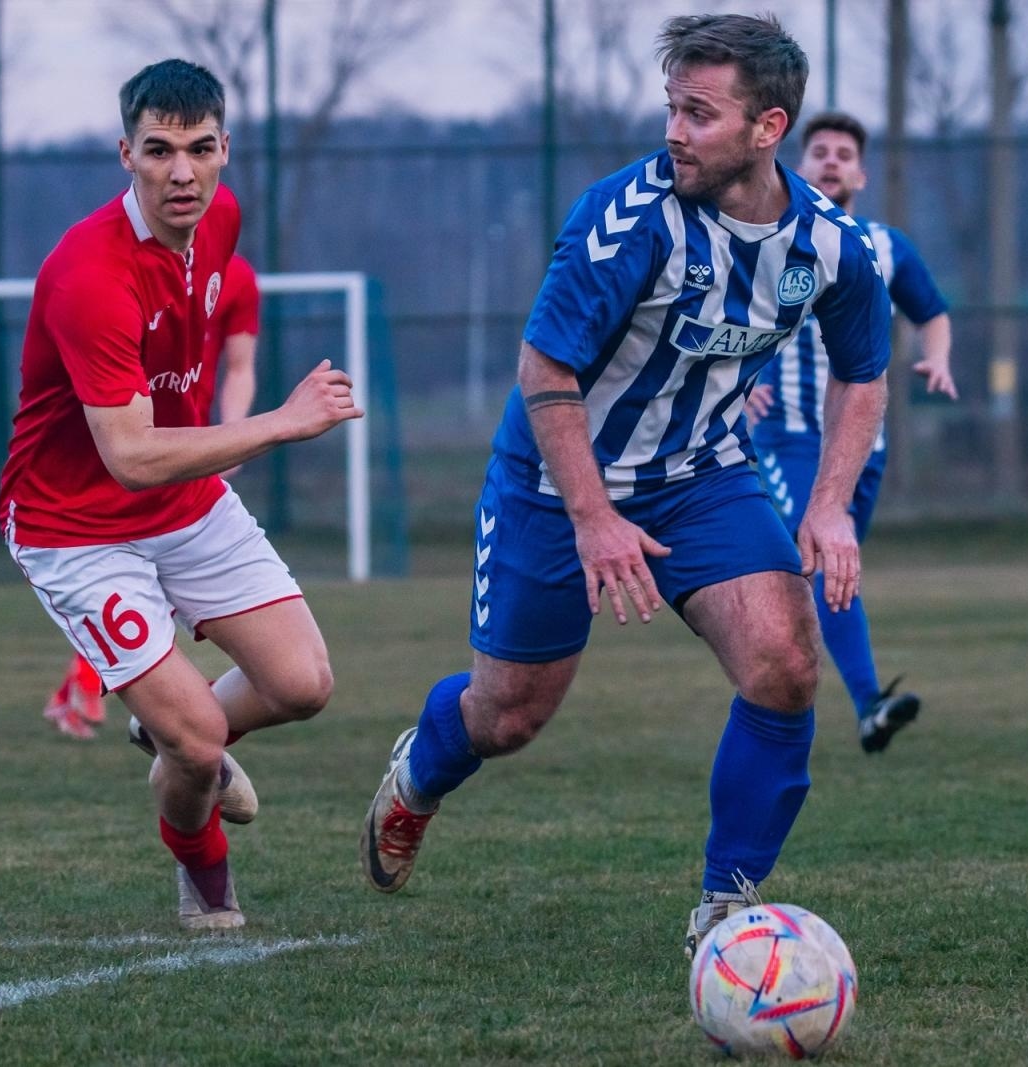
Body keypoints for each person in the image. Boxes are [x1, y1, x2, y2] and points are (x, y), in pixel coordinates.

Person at [358, 14, 891, 959]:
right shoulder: (628, 219)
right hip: (553, 480)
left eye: (700, 114)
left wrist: (829, 503)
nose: (675, 132)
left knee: (785, 662)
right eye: (672, 108)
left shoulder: (830, 245)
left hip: (703, 475)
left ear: (768, 128)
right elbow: (545, 367)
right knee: (509, 716)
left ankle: (726, 908)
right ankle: (419, 773)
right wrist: (592, 514)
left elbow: (864, 372)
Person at [0, 60, 359, 930]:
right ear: (126, 154)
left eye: (200, 148)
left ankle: (168, 732)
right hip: (73, 526)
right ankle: (202, 866)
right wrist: (278, 423)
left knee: (304, 683)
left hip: (184, 502)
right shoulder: (90, 274)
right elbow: (129, 457)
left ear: (225, 148)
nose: (182, 172)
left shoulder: (220, 219)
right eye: (159, 150)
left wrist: (223, 427)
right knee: (197, 743)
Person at [745, 110, 957, 755]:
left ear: (861, 175)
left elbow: (932, 312)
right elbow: (723, 317)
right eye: (820, 151)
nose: (831, 161)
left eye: (844, 154)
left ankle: (852, 708)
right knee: (815, 562)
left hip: (862, 444)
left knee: (831, 576)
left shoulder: (886, 247)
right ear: (798, 166)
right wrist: (739, 379)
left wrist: (939, 357)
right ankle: (849, 704)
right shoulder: (765, 238)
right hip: (787, 436)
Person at [40, 254, 262, 742]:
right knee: (132, 582)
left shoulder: (237, 276)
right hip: (120, 452)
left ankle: (89, 692)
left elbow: (240, 366)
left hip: (187, 455)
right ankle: (117, 699)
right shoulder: (112, 276)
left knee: (161, 585)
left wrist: (234, 432)